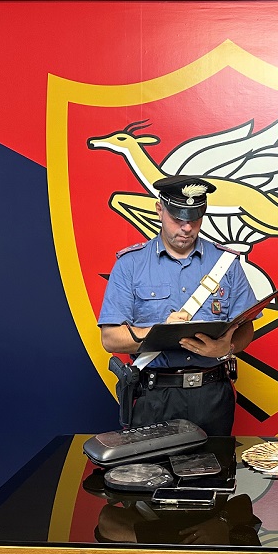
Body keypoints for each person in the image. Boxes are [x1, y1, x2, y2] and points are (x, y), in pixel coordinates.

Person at [98, 175, 257, 436]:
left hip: (212, 396)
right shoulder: (130, 265)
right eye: (177, 219)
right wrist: (159, 332)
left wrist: (226, 348)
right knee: (152, 464)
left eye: (194, 219)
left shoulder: (226, 264)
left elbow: (246, 328)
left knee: (216, 463)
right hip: (155, 396)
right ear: (159, 210)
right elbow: (110, 339)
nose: (186, 228)